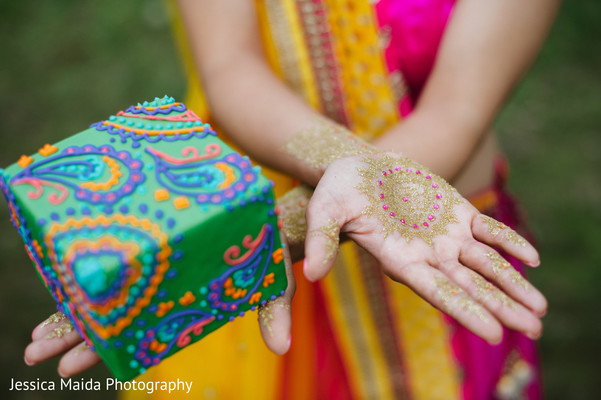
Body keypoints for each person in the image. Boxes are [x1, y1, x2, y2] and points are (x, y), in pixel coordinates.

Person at [24, 0, 559, 398]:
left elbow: (456, 112)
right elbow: (230, 68)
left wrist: (300, 220)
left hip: (438, 237)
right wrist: (262, 229)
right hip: (255, 211)